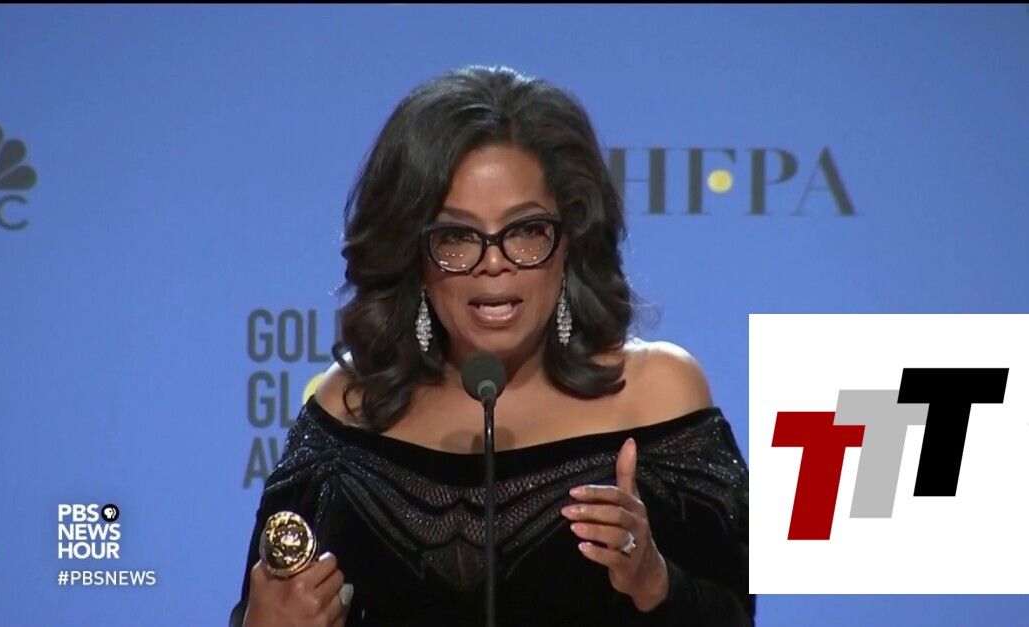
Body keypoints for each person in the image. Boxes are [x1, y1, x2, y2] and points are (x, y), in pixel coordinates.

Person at [229, 64, 752, 627]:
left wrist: (655, 582)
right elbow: (263, 605)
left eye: (526, 231)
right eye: (457, 237)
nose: (495, 263)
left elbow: (734, 615)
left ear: (570, 240)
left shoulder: (657, 396)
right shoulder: (349, 410)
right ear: (413, 254)